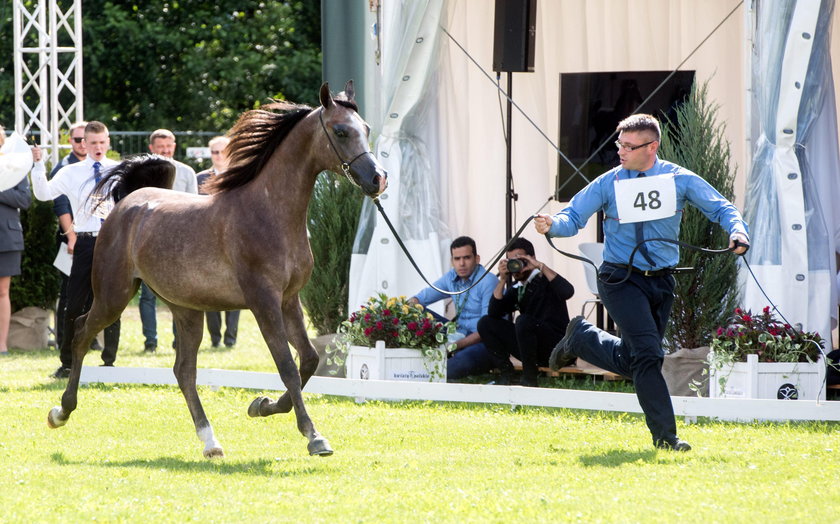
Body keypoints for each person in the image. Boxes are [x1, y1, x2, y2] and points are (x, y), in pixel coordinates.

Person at [536, 113, 750, 451]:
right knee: (649, 355)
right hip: (619, 278)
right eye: (618, 144)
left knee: (635, 357)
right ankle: (666, 437)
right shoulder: (608, 182)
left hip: (661, 281)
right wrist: (552, 223)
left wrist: (738, 231)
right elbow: (573, 216)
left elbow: (722, 208)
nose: (620, 151)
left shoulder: (679, 179)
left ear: (652, 147)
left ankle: (582, 338)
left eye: (628, 146)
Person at [30, 121, 122, 377]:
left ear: (108, 142)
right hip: (86, 240)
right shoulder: (71, 172)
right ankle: (67, 362)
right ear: (84, 144)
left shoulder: (118, 170)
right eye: (93, 143)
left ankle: (110, 362)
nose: (98, 147)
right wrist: (37, 165)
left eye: (103, 142)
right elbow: (43, 193)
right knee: (75, 301)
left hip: (114, 241)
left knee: (114, 299)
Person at [477, 237, 575, 387]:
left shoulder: (545, 280)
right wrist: (503, 279)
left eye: (519, 259)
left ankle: (529, 380)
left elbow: (568, 291)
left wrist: (540, 266)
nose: (516, 265)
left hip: (558, 348)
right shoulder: (518, 289)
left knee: (523, 321)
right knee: (485, 323)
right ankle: (507, 374)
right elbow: (493, 314)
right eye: (511, 261)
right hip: (533, 349)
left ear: (531, 258)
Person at [139, 129, 198, 352]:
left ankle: (178, 341)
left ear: (174, 145)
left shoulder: (187, 172)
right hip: (149, 240)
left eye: (169, 145)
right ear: (151, 148)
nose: (165, 150)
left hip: (181, 242)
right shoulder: (142, 172)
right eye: (160, 146)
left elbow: (195, 205)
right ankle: (150, 342)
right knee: (147, 295)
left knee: (181, 294)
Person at [407, 236, 498, 380]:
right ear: (452, 261)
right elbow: (420, 298)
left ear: (477, 259)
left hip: (484, 341)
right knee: (415, 312)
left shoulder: (488, 281)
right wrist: (409, 305)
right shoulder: (451, 276)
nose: (462, 264)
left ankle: (434, 369)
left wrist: (454, 346)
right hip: (458, 334)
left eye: (467, 258)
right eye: (457, 259)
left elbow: (487, 330)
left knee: (452, 367)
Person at [48, 122, 101, 351]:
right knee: (69, 291)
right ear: (71, 141)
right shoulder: (63, 168)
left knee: (95, 290)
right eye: (78, 140)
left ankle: (92, 339)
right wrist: (71, 237)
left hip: (94, 237)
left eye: (84, 140)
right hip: (71, 238)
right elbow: (61, 206)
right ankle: (64, 341)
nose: (82, 144)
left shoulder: (98, 167)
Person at [195, 136, 240, 347]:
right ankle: (215, 338)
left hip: (235, 239)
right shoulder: (200, 178)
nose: (219, 156)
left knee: (236, 286)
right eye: (215, 152)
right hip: (207, 239)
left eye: (223, 151)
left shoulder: (241, 176)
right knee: (209, 288)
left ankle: (231, 338)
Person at [0, 127, 32, 354]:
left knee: (2, 292)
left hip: (7, 237)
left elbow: (24, 199)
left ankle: (1, 344)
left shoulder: (15, 167)